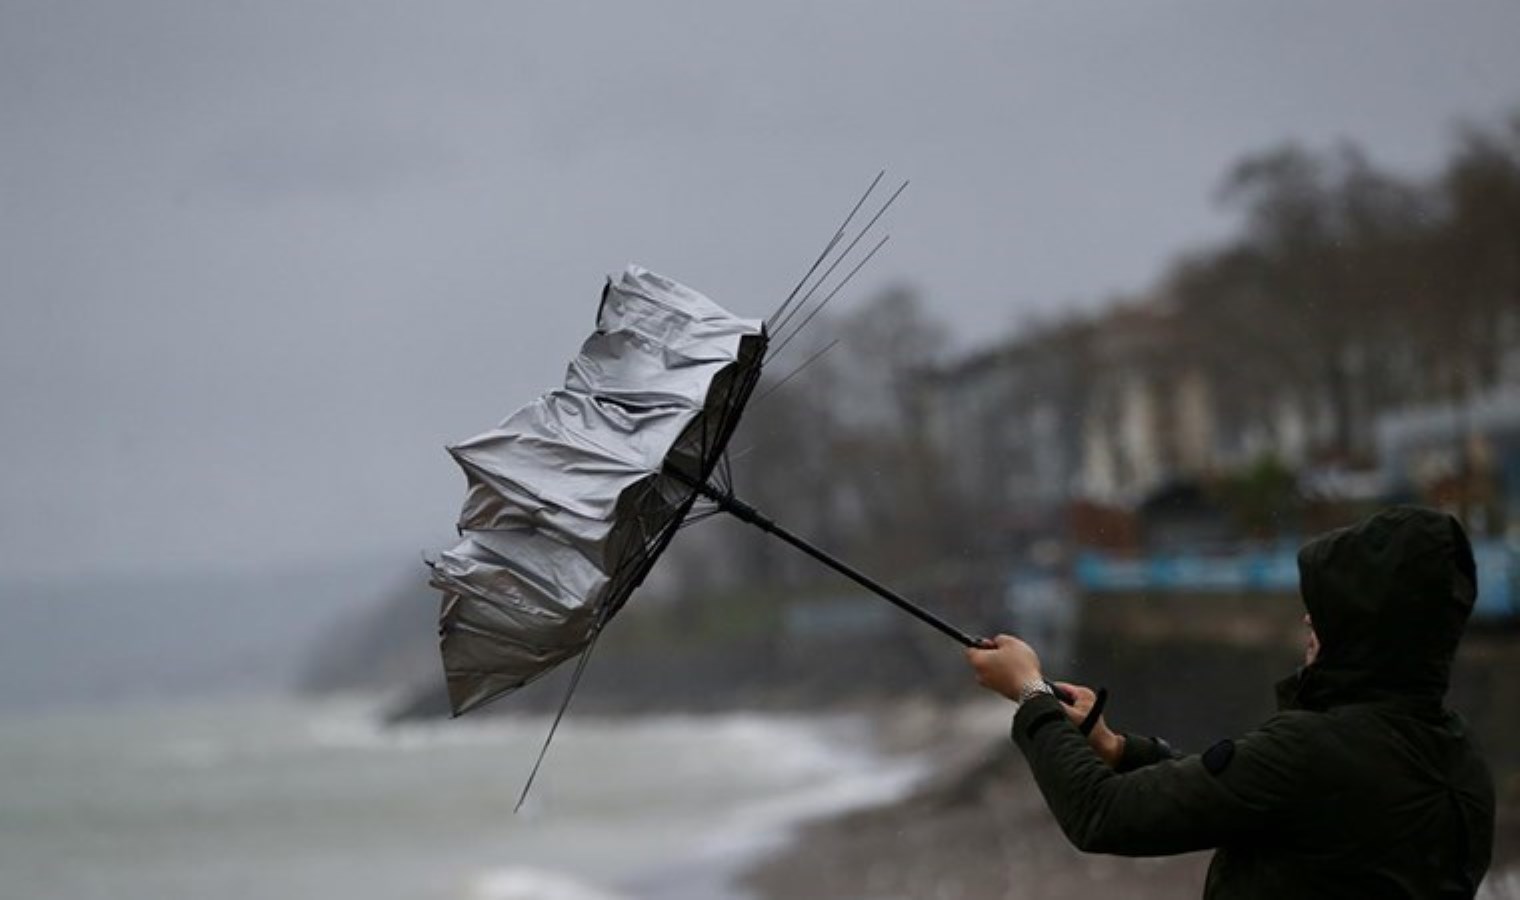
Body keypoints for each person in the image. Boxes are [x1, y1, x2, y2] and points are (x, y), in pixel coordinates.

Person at [967, 506, 1496, 898]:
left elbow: (1103, 813)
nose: (1308, 619)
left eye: (1327, 608)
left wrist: (1030, 693)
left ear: (1367, 627)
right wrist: (1118, 749)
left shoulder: (1309, 752)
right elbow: (1253, 799)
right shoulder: (1460, 760)